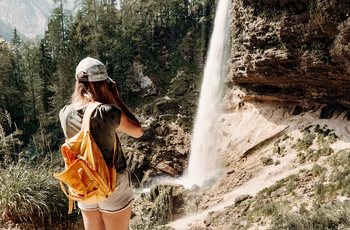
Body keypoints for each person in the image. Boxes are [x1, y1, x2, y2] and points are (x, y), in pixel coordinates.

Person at [59, 57, 143, 230]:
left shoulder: (65, 113)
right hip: (113, 182)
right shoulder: (108, 111)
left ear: (78, 82)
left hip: (84, 181)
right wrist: (116, 99)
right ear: (105, 83)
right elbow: (137, 131)